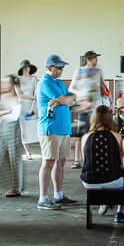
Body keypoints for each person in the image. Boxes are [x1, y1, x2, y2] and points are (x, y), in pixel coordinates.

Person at [36, 54, 78, 210]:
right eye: (58, 68)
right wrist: (66, 100)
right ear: (49, 68)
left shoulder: (58, 82)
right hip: (51, 128)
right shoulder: (45, 83)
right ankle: (42, 198)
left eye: (62, 68)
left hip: (63, 128)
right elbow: (68, 100)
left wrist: (63, 100)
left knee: (60, 162)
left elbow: (72, 99)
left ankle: (58, 195)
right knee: (48, 162)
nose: (61, 70)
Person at [80, 104, 124, 220]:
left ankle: (105, 202)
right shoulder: (116, 136)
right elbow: (121, 161)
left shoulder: (85, 137)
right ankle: (117, 209)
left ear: (94, 118)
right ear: (110, 119)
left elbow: (84, 160)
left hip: (89, 182)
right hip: (113, 181)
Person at [69, 50, 104, 166]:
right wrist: (80, 102)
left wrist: (109, 101)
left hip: (95, 107)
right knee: (80, 135)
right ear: (88, 59)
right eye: (95, 58)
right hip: (83, 107)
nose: (97, 60)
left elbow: (102, 86)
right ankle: (77, 160)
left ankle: (91, 159)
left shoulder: (98, 71)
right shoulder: (79, 71)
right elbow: (72, 88)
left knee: (95, 133)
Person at [15, 60, 39, 160]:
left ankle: (43, 149)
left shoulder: (34, 79)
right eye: (25, 67)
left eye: (28, 67)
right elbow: (19, 94)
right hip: (22, 105)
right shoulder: (17, 80)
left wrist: (33, 104)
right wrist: (32, 98)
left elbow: (36, 93)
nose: (27, 69)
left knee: (36, 127)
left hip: (33, 105)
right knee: (23, 129)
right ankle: (27, 152)